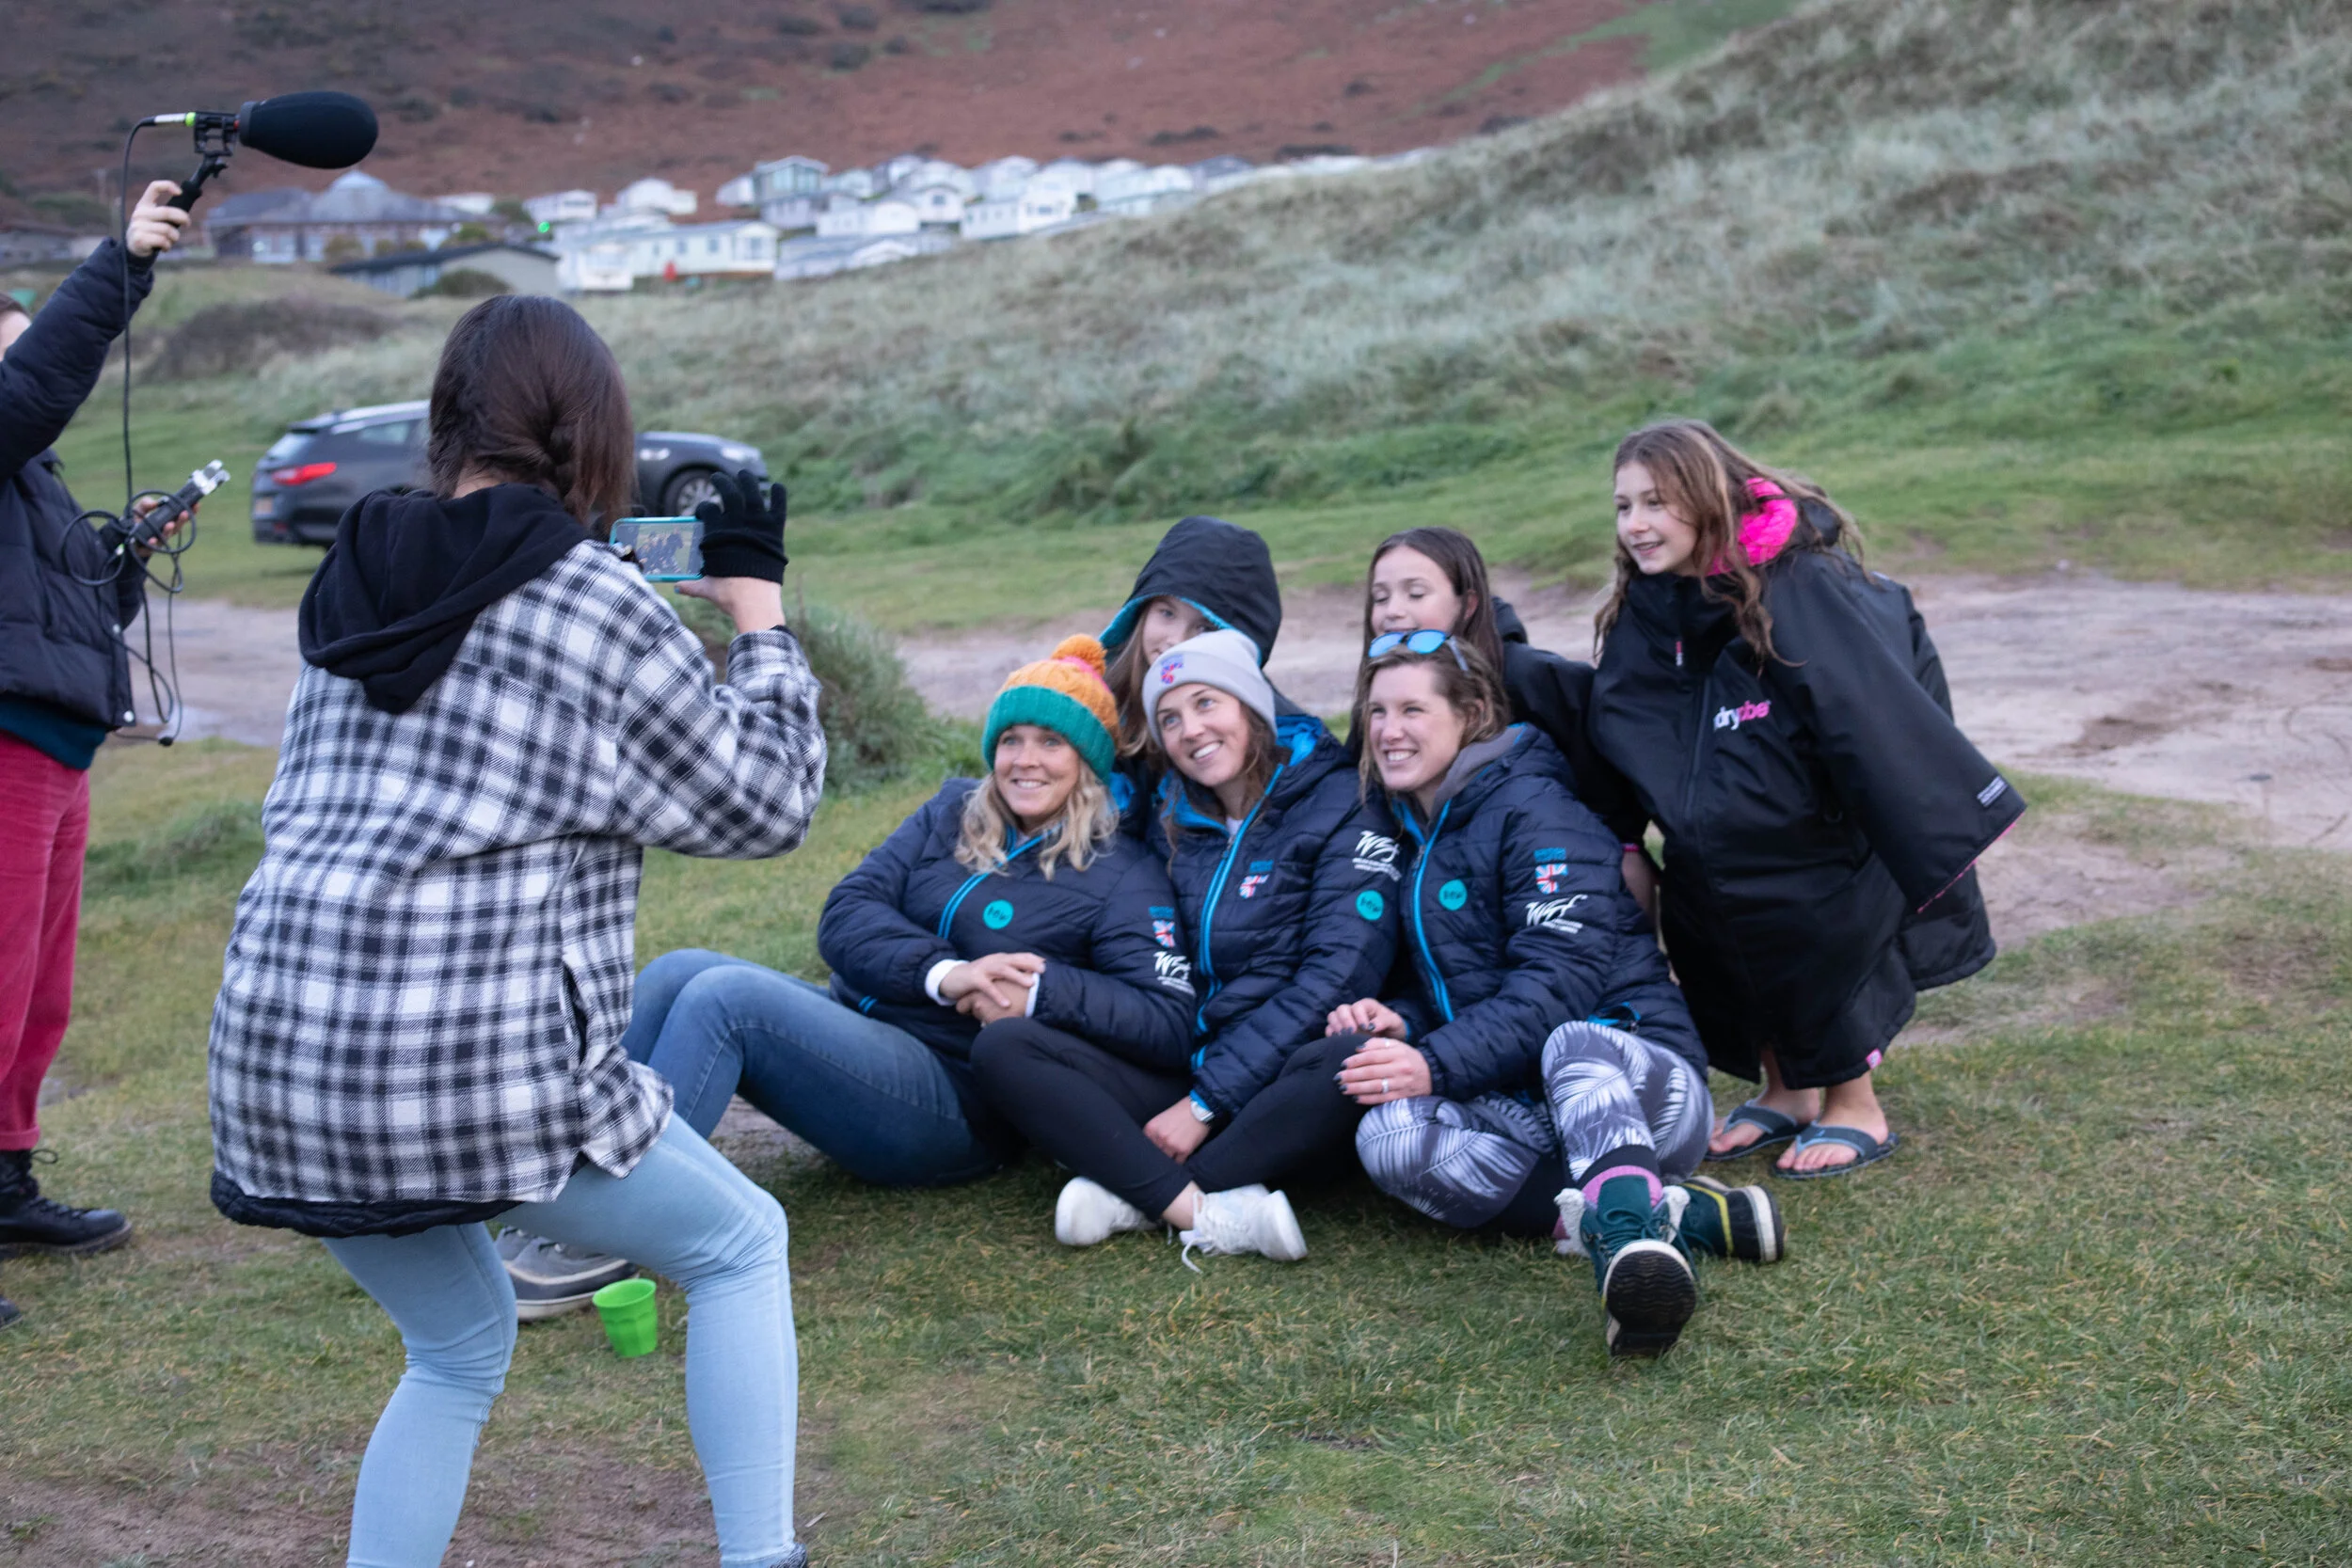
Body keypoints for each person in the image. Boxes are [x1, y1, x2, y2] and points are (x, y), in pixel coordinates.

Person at [205, 295, 826, 1568]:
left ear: (445, 425)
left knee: (457, 1342)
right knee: (741, 1244)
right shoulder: (595, 598)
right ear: (597, 436)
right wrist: (758, 616)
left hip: (279, 1059)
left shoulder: (348, 584)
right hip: (464, 1064)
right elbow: (766, 801)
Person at [610, 634, 1197, 1203]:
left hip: (954, 1096)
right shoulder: (951, 811)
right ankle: (588, 1172)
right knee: (675, 971)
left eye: (1051, 743)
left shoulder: (1122, 871)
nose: (1025, 761)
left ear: (1087, 759)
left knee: (725, 1000)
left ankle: (631, 1215)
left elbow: (1168, 1020)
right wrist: (947, 974)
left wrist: (1043, 991)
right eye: (1011, 740)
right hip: (857, 1021)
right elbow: (845, 914)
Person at [1586, 420, 2024, 1177]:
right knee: (1720, 946)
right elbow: (1623, 711)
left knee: (1815, 943)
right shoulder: (1649, 606)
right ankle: (1785, 1090)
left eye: (1656, 502)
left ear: (1705, 496)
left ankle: (1855, 1103)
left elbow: (1863, 702)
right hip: (1710, 832)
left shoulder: (1796, 582)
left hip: (1809, 835)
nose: (1636, 525)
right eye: (1624, 507)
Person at [1333, 631, 1777, 1357]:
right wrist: (1402, 1018)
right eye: (1377, 711)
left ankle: (1629, 1264)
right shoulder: (1408, 825)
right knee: (1387, 1138)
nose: (1387, 730)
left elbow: (1557, 986)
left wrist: (1434, 1063)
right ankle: (1674, 1213)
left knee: (1571, 1039)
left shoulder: (1539, 812)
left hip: (1638, 1088)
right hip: (1529, 1107)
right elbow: (1447, 981)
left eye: (1413, 708)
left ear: (1472, 712)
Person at [971, 628, 1402, 1263]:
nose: (1190, 729)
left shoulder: (1344, 802)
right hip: (1184, 1062)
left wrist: (1205, 1104)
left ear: (1251, 706)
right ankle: (1205, 1208)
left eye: (1207, 703)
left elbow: (1335, 974)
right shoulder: (1172, 809)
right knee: (1007, 1044)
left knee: (1359, 1056)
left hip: (1279, 1078)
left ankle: (1133, 1189)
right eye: (1169, 718)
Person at [0, 180, 195, 1323]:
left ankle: (8, 1180)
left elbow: (64, 613)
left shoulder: (27, 474)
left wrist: (123, 557)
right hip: (9, 744)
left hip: (59, 745)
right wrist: (118, 263)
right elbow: (27, 395)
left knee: (37, 995)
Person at [1360, 526, 1657, 916]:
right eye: (1380, 598)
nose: (1393, 610)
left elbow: (1617, 803)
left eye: (1415, 593)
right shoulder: (1379, 691)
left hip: (1565, 884)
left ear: (1467, 605)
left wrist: (1626, 853)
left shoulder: (1536, 679)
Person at [1099, 514, 1294, 824]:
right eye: (1166, 613)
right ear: (1140, 611)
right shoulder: (1094, 701)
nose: (1175, 641)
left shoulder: (1284, 737)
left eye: (1204, 628)